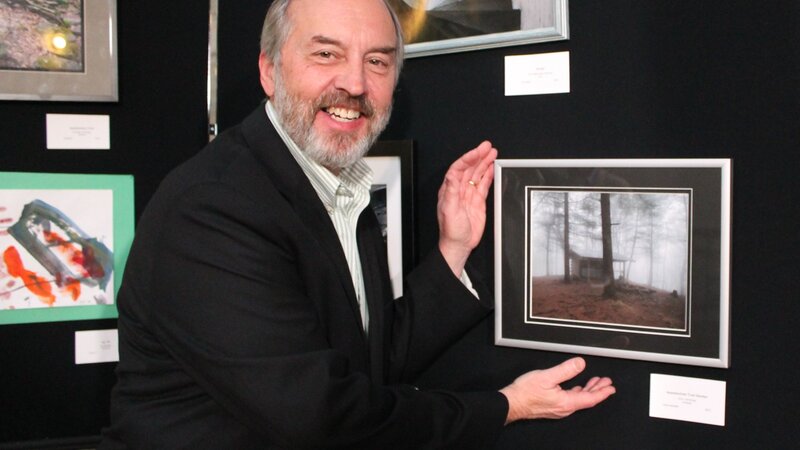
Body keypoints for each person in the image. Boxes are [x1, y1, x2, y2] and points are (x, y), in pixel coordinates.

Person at [100, 0, 615, 448]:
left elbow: (371, 359)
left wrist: (453, 250)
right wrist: (505, 407)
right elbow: (318, 416)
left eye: (377, 61)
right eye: (326, 53)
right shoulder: (213, 207)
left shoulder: (339, 188)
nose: (354, 83)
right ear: (269, 70)